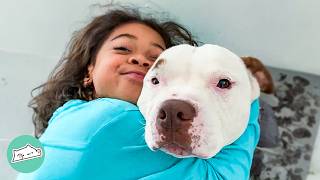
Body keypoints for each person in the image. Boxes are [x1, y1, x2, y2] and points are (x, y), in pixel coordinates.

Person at [18, 4, 260, 180]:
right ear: (89, 70)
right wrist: (250, 92)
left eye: (155, 58)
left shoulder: (63, 114)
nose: (140, 60)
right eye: (123, 48)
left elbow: (23, 161)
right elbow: (223, 176)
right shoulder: (113, 118)